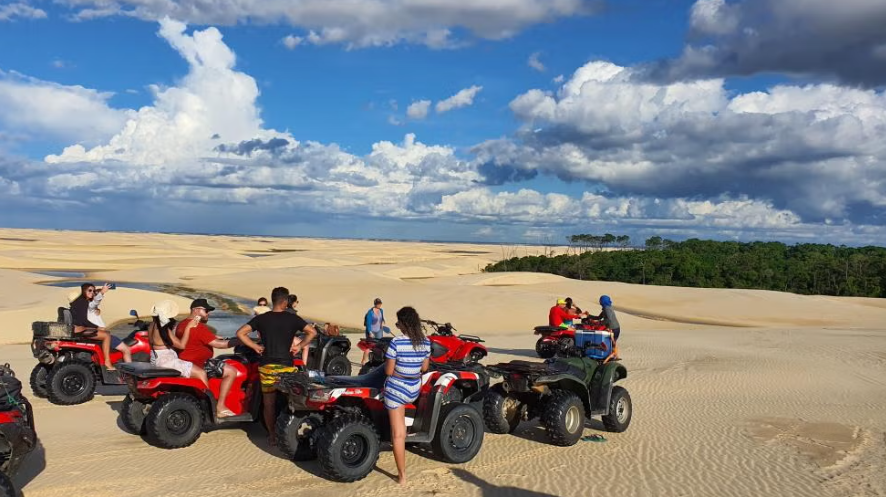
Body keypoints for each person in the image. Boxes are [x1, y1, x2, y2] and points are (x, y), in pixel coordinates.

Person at [235, 287, 318, 446]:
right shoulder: (292, 318)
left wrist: (254, 346)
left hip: (267, 366)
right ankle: (290, 433)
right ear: (286, 301)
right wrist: (299, 346)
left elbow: (240, 333)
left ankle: (272, 435)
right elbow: (312, 332)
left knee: (269, 403)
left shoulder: (262, 318)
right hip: (286, 366)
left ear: (273, 300)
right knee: (292, 401)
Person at [384, 306, 431, 485]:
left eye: (398, 323)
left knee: (398, 434)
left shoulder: (396, 342)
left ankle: (402, 477)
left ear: (404, 324)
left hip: (397, 390)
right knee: (400, 430)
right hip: (413, 390)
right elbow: (424, 368)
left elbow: (388, 371)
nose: (397, 326)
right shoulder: (425, 342)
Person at [175, 298, 240, 418]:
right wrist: (241, 340)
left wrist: (212, 336)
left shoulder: (182, 324)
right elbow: (220, 345)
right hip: (200, 363)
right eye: (206, 310)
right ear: (196, 310)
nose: (208, 314)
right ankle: (220, 407)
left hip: (186, 362)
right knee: (232, 371)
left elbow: (193, 339)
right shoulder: (199, 327)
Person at [70, 283, 131, 370]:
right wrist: (102, 292)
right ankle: (110, 363)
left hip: (87, 330)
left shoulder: (83, 304)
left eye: (94, 291)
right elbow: (93, 305)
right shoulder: (85, 304)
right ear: (83, 291)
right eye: (90, 291)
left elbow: (93, 305)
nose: (92, 293)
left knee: (108, 335)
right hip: (89, 332)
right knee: (124, 347)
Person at [147, 300, 209, 386]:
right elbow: (181, 346)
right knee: (201, 373)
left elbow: (156, 341)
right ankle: (207, 398)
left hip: (156, 358)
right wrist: (188, 327)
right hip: (166, 361)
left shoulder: (152, 325)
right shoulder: (163, 329)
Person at [361, 297, 388, 365]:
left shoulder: (381, 310)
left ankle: (376, 360)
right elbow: (368, 323)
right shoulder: (370, 312)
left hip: (379, 330)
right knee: (368, 346)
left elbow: (381, 318)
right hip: (371, 331)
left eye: (379, 303)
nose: (378, 305)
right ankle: (363, 361)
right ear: (375, 304)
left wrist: (382, 322)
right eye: (377, 304)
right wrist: (370, 332)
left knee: (379, 346)